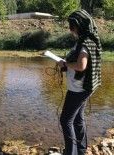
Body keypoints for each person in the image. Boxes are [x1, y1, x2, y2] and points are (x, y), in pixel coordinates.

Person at [57, 10, 102, 155]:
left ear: (80, 25)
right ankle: (81, 150)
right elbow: (80, 66)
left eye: (72, 26)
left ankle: (71, 152)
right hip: (83, 88)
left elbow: (81, 66)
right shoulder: (87, 40)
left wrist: (65, 63)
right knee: (77, 119)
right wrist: (66, 66)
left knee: (66, 121)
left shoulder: (84, 44)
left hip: (78, 90)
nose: (71, 30)